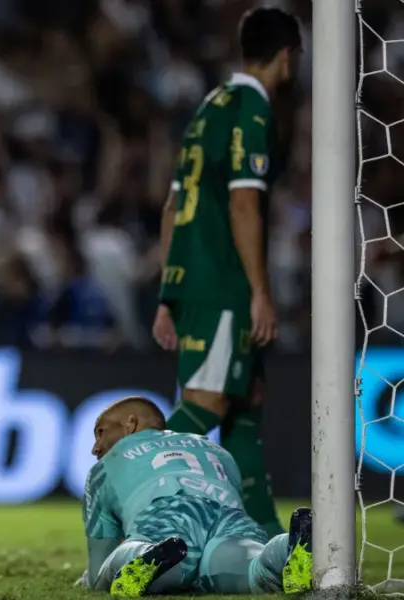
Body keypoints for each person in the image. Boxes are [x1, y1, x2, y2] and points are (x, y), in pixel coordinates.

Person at [152, 7, 302, 537]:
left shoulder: (208, 107)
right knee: (207, 404)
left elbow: (172, 208)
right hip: (223, 282)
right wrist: (260, 291)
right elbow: (244, 205)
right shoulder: (253, 112)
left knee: (245, 401)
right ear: (288, 56)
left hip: (194, 278)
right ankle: (118, 503)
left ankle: (264, 532)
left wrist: (169, 293)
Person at [81, 396, 313, 597]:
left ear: (130, 424)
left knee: (111, 569)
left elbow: (97, 566)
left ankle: (147, 554)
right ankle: (286, 549)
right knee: (250, 565)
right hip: (228, 515)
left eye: (101, 433)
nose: (95, 448)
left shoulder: (104, 467)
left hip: (169, 513)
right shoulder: (217, 450)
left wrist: (93, 576)